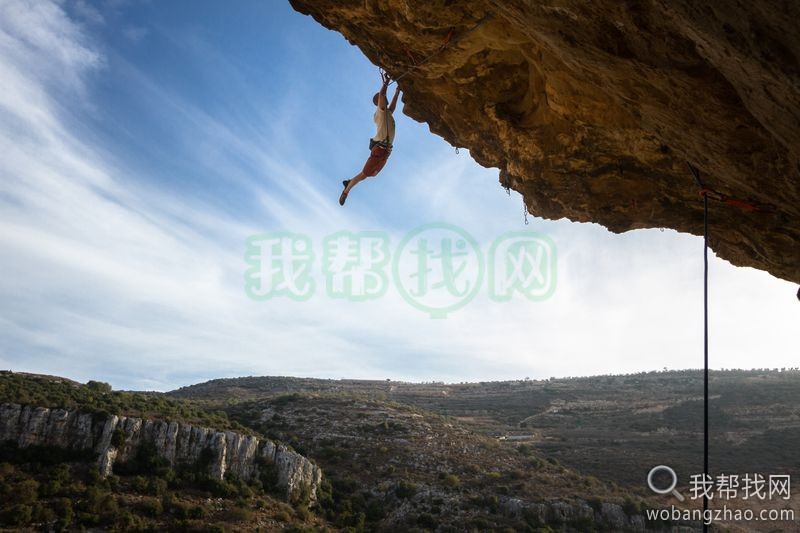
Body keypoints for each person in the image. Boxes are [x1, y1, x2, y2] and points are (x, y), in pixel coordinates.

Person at [340, 71, 401, 206]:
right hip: (379, 150)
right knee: (365, 174)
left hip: (385, 152)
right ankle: (347, 189)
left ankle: (349, 182)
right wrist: (385, 82)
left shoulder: (388, 114)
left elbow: (393, 107)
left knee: (372, 174)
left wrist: (397, 92)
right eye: (382, 99)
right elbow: (382, 95)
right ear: (379, 101)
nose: (385, 100)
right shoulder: (380, 112)